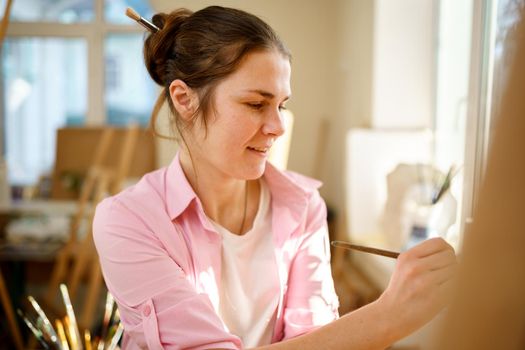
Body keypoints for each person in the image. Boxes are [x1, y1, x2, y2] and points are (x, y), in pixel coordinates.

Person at [93, 5, 457, 349]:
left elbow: (315, 338)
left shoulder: (301, 207)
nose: (279, 126)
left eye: (282, 105)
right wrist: (387, 317)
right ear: (184, 99)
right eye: (256, 104)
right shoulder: (128, 221)